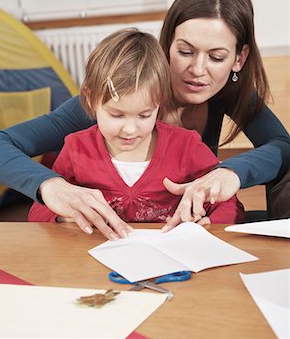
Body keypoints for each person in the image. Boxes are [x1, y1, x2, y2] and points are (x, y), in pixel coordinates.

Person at [0, 0, 289, 239]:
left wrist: (230, 172)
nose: (198, 69)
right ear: (166, 45)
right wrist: (50, 186)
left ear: (238, 58)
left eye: (216, 57)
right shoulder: (108, 101)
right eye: (185, 51)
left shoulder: (229, 92)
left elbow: (281, 146)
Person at [28, 29, 245, 229]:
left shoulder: (186, 146)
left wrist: (211, 223)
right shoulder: (77, 149)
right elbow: (39, 211)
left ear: (160, 102)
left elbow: (229, 205)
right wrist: (66, 217)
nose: (130, 129)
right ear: (91, 98)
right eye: (116, 114)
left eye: (144, 115)